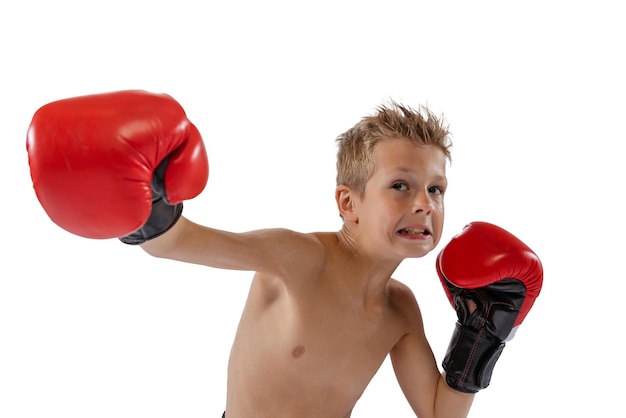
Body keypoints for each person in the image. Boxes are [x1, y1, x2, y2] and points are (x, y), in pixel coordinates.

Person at [26, 90, 543, 418]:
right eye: (401, 185)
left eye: (436, 190)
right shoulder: (298, 258)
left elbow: (438, 413)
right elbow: (182, 242)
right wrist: (153, 205)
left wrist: (482, 339)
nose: (423, 205)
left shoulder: (401, 312)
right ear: (349, 203)